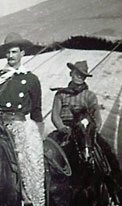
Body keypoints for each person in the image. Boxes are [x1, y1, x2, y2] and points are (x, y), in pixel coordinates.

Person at [0, 32, 45, 206]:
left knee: (26, 157)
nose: (10, 56)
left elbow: (36, 110)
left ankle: (29, 200)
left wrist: (39, 136)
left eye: (14, 52)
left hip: (18, 123)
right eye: (8, 53)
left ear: (22, 53)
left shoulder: (31, 79)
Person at [49, 60, 121, 198]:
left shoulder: (90, 95)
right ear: (71, 73)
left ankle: (114, 192)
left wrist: (91, 132)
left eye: (82, 75)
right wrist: (62, 128)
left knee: (106, 152)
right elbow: (55, 116)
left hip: (85, 130)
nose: (79, 77)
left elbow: (97, 118)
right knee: (46, 151)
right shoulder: (60, 94)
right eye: (77, 74)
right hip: (65, 129)